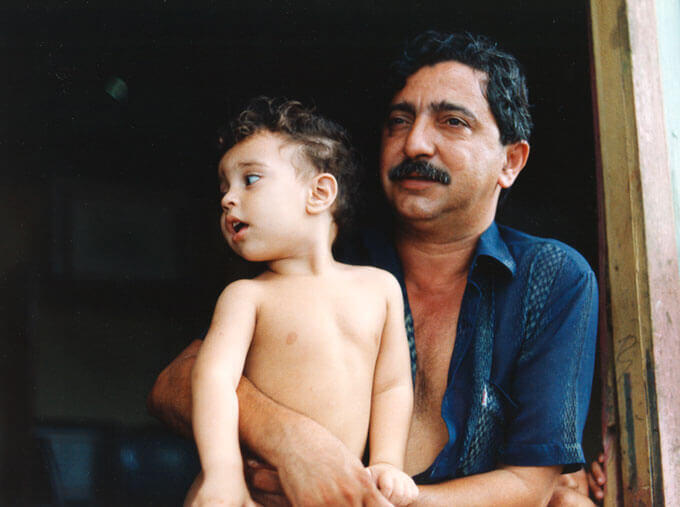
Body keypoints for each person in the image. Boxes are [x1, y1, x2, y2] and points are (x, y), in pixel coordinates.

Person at [148, 31, 599, 506]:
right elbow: (174, 383)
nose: (416, 143)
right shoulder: (317, 249)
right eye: (399, 121)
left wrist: (357, 499)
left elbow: (531, 484)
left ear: (511, 161)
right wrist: (293, 442)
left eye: (451, 122)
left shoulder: (551, 278)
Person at [184, 97, 418, 506]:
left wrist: (386, 462)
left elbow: (393, 385)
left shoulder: (380, 289)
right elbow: (213, 381)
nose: (227, 199)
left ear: (319, 193)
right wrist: (222, 473)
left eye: (250, 179)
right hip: (250, 497)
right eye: (224, 187)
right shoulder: (246, 297)